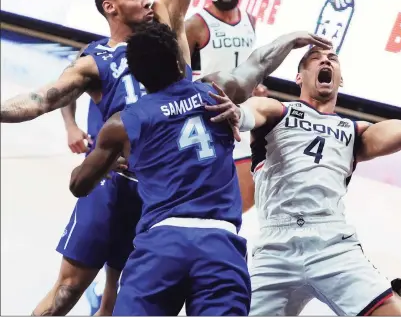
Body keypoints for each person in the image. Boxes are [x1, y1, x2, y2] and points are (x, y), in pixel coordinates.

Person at [67, 21, 331, 315]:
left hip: (161, 245)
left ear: (139, 77)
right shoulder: (217, 91)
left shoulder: (124, 122)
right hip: (220, 245)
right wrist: (290, 36)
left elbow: (79, 185)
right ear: (182, 63)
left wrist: (109, 163)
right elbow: (259, 62)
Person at [207, 38, 401, 315]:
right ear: (299, 77)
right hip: (275, 248)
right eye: (315, 57)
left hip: (332, 243)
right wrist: (237, 113)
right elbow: (248, 112)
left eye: (333, 58)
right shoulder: (277, 111)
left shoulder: (355, 131)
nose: (326, 60)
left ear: (341, 81)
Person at [0, 0, 196, 315]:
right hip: (113, 187)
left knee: (133, 300)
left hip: (164, 192)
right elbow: (40, 98)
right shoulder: (96, 60)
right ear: (111, 7)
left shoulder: (165, 31)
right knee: (69, 288)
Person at [185, 0, 267, 213]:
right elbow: (181, 72)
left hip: (239, 111)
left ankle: (223, 231)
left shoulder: (250, 21)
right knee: (196, 187)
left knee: (249, 189)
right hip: (206, 110)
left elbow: (251, 63)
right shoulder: (196, 24)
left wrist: (258, 85)